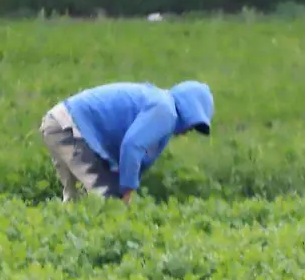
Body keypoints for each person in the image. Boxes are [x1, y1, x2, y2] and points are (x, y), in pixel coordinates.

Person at [38, 80, 214, 204]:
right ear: (188, 111)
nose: (188, 132)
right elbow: (132, 146)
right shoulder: (165, 111)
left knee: (75, 201)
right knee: (107, 200)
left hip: (60, 123)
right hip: (70, 128)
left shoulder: (159, 103)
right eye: (192, 125)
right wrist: (128, 192)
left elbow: (129, 153)